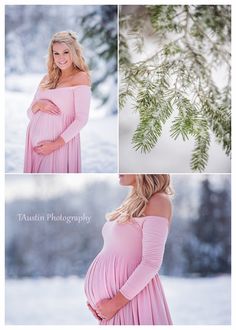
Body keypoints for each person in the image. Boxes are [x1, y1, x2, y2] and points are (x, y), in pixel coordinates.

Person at [85, 174, 173, 325]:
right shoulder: (132, 202)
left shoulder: (158, 201)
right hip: (116, 308)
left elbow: (151, 263)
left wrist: (114, 304)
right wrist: (98, 303)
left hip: (133, 303)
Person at [24, 31, 91, 173]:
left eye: (66, 52)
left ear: (74, 52)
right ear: (51, 55)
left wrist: (55, 145)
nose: (61, 58)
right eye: (56, 53)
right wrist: (39, 105)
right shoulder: (46, 79)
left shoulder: (80, 77)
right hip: (35, 146)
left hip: (60, 146)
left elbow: (81, 119)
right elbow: (30, 113)